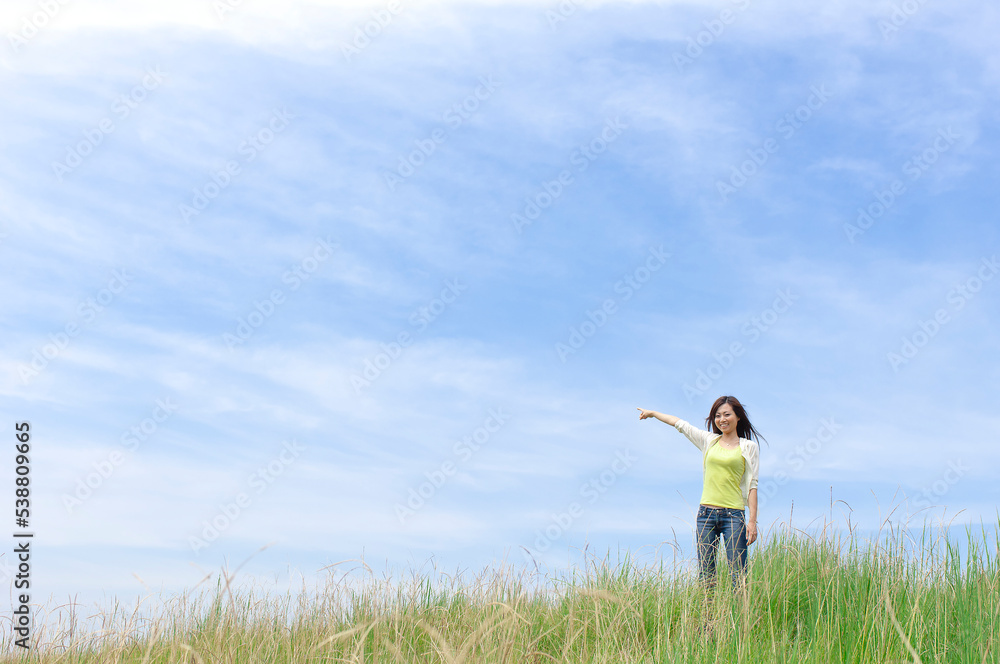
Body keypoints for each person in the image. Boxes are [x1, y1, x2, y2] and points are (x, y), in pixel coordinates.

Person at [636, 396, 765, 593]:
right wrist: (653, 414)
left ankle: (741, 623)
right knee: (706, 577)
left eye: (727, 414)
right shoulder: (709, 441)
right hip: (705, 516)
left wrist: (753, 522)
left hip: (734, 517)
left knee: (739, 576)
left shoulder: (749, 447)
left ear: (738, 417)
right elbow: (680, 424)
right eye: (717, 415)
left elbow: (753, 485)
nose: (722, 419)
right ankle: (708, 624)